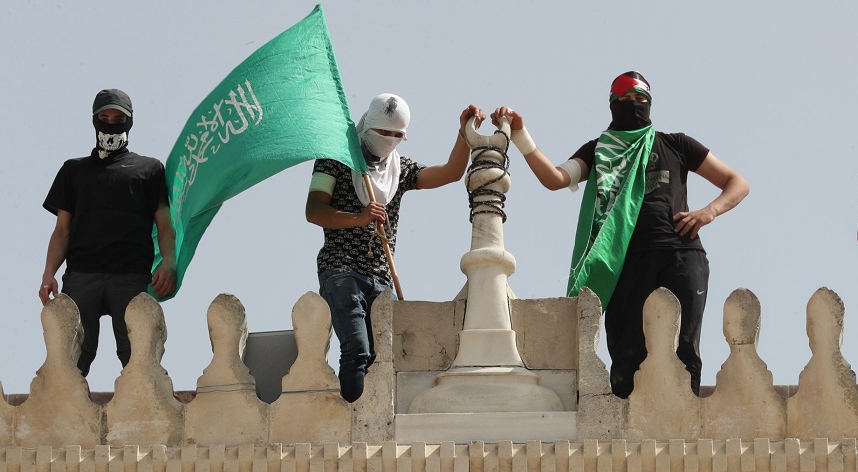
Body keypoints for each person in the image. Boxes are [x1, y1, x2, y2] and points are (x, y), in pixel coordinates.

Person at [492, 71, 749, 398]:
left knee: (683, 347)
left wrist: (708, 211)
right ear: (612, 104)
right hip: (623, 261)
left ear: (651, 104)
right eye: (626, 100)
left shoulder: (676, 144)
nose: (634, 105)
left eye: (641, 99)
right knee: (628, 355)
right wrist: (520, 135)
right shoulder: (599, 150)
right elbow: (555, 178)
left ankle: (686, 422)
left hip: (680, 254)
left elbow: (737, 183)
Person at [305, 94, 484, 402]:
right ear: (368, 126)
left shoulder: (399, 170)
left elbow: (450, 173)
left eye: (397, 135)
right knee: (357, 349)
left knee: (381, 357)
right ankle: (351, 413)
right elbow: (314, 210)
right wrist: (359, 218)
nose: (389, 140)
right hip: (341, 269)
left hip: (380, 276)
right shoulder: (335, 159)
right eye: (383, 132)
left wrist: (464, 134)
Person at [40, 88, 177, 376]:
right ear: (94, 120)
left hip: (130, 275)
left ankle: (145, 414)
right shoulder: (74, 171)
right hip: (82, 275)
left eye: (118, 118)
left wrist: (168, 261)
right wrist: (48, 273)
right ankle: (64, 415)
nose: (111, 123)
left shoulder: (149, 170)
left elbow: (165, 224)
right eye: (104, 117)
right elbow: (62, 231)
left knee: (139, 358)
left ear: (129, 122)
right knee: (69, 358)